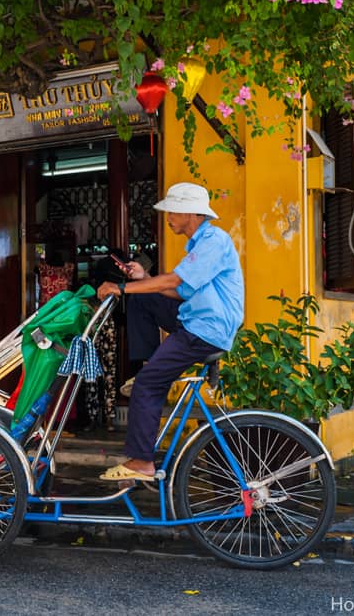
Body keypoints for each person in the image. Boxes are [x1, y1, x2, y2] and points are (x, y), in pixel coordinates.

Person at [96, 182, 244, 482]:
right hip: (194, 319)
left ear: (190, 212)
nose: (168, 217)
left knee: (147, 387)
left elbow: (173, 282)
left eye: (172, 211)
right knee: (143, 297)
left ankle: (142, 462)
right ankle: (149, 365)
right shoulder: (199, 244)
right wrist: (143, 279)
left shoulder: (214, 240)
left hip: (206, 328)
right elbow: (180, 291)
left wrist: (121, 287)